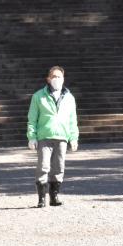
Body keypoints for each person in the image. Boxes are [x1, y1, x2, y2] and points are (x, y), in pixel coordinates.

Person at [26, 66, 78, 208]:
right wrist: (32, 136)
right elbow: (32, 118)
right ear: (48, 79)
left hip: (62, 136)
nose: (57, 79)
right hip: (45, 136)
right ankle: (41, 198)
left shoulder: (69, 97)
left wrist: (74, 137)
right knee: (43, 167)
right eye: (54, 77)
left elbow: (72, 120)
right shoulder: (38, 96)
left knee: (59, 167)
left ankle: (54, 196)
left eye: (59, 77)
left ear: (63, 79)